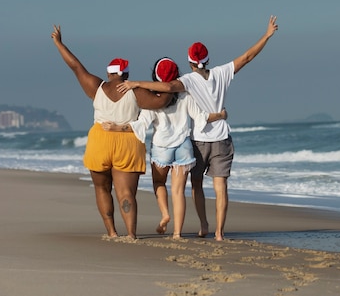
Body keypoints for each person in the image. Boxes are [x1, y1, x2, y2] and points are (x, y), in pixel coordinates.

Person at [117, 15, 279, 240]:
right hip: (222, 139)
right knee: (221, 187)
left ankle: (202, 225)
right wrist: (267, 35)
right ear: (208, 59)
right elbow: (248, 57)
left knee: (196, 186)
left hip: (199, 141)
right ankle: (219, 233)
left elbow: (166, 87)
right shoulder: (222, 73)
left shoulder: (188, 81)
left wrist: (137, 83)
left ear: (190, 61)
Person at [51, 25, 172, 239]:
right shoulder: (136, 91)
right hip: (128, 142)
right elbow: (163, 99)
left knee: (102, 189)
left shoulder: (95, 86)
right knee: (126, 193)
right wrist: (172, 85)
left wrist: (59, 43)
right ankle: (132, 234)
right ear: (125, 73)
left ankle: (112, 232)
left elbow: (75, 66)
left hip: (100, 141)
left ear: (109, 72)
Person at [102, 57, 228, 239]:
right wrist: (220, 115)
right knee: (178, 192)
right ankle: (177, 233)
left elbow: (141, 124)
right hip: (183, 146)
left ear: (156, 75)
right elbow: (200, 117)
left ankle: (165, 214)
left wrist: (117, 127)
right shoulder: (185, 95)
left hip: (161, 148)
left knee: (159, 183)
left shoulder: (152, 97)